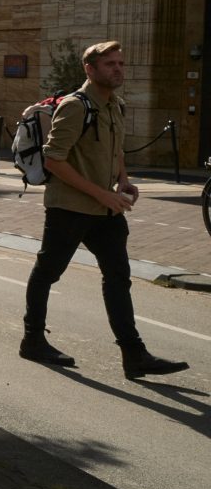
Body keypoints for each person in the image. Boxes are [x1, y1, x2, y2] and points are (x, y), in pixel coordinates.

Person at [20, 41, 188, 377]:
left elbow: (115, 148)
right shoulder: (75, 106)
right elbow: (54, 160)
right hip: (69, 208)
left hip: (105, 211)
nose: (118, 69)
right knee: (48, 273)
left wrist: (123, 180)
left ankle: (134, 354)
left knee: (118, 278)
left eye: (121, 64)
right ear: (90, 69)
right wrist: (102, 193)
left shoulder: (115, 105)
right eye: (110, 64)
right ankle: (32, 339)